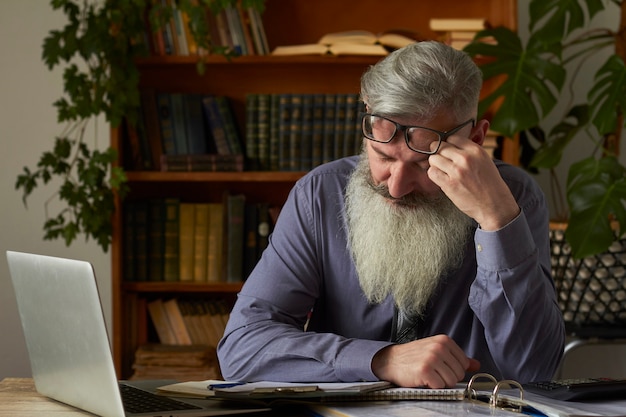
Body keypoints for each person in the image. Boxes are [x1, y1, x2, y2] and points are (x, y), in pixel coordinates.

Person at [217, 41, 565, 388]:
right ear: (366, 119)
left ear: (474, 139)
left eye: (422, 164)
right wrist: (380, 359)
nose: (396, 187)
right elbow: (241, 351)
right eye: (383, 156)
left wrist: (497, 219)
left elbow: (534, 371)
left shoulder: (514, 198)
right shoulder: (320, 195)